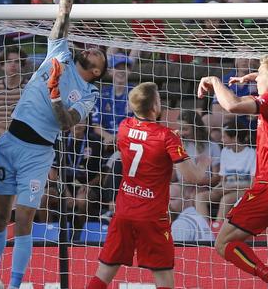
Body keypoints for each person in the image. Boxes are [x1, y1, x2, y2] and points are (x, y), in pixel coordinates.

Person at [0, 0, 107, 289]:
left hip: (38, 154)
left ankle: (14, 284)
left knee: (24, 217)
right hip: (10, 142)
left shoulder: (88, 93)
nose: (92, 49)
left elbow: (68, 123)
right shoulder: (60, 54)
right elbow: (62, 15)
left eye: (99, 54)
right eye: (92, 48)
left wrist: (54, 95)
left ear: (97, 71)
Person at [197, 54, 268, 289]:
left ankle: (266, 276)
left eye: (260, 77)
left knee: (223, 243)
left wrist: (216, 81)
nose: (256, 83)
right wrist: (260, 76)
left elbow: (233, 105)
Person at [87, 82, 206, 289]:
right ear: (155, 107)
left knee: (104, 272)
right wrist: (202, 161)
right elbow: (193, 177)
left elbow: (140, 147)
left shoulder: (124, 127)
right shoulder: (166, 137)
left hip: (124, 212)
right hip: (152, 216)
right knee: (164, 277)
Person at [195, 120, 255, 221]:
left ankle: (217, 230)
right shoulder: (225, 152)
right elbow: (223, 180)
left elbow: (252, 184)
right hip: (227, 188)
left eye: (224, 137)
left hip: (244, 190)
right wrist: (218, 188)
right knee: (200, 197)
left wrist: (231, 187)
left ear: (235, 138)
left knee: (225, 200)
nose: (221, 140)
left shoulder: (252, 153)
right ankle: (205, 230)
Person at [90, 53, 134, 154]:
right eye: (117, 68)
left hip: (128, 140)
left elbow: (140, 124)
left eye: (125, 68)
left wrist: (119, 137)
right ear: (110, 71)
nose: (121, 71)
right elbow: (96, 125)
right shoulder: (102, 95)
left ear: (129, 71)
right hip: (106, 139)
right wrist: (108, 136)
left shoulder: (135, 94)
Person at [0, 47, 29, 139]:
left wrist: (0, 124)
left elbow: (29, 123)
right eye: (9, 61)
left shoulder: (29, 89)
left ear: (22, 65)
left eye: (17, 61)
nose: (13, 64)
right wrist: (2, 134)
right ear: (2, 65)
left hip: (22, 137)